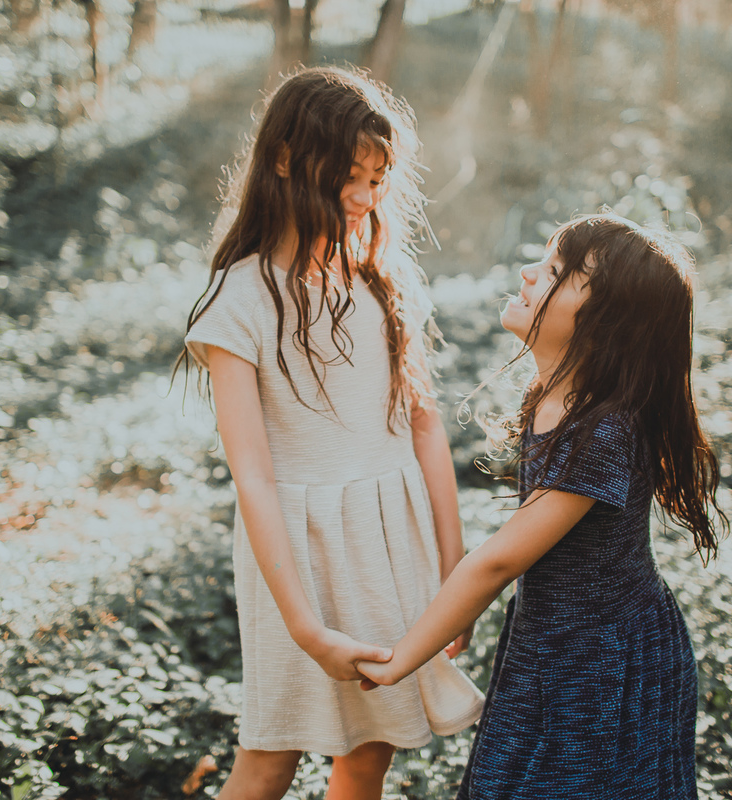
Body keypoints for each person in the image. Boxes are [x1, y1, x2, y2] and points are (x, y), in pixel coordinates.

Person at [178, 66, 484, 800]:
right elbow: (253, 477)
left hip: (392, 538)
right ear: (285, 159)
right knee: (271, 756)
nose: (365, 195)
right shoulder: (238, 302)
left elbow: (425, 429)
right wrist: (307, 629)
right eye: (349, 174)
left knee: (371, 750)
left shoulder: (384, 280)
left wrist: (454, 571)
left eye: (377, 179)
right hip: (297, 556)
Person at [358, 213, 727, 799]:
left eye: (556, 272)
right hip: (553, 639)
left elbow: (499, 561)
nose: (529, 273)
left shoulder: (604, 430)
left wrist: (400, 658)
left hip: (603, 660)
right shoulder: (559, 399)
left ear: (606, 325)